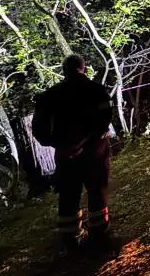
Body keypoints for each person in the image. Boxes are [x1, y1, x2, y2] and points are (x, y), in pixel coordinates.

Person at [32, 55, 113, 251]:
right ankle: (99, 235)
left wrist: (59, 144)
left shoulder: (49, 97)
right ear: (83, 68)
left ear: (64, 70)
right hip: (95, 153)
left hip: (66, 155)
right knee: (96, 190)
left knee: (68, 195)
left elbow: (38, 129)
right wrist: (90, 139)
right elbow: (106, 119)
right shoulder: (96, 91)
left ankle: (71, 240)